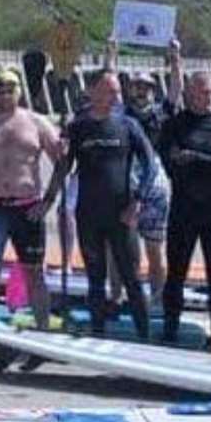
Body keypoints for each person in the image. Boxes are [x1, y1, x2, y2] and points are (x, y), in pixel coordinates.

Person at [0, 66, 68, 335]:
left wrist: (49, 201)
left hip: (27, 208)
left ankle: (43, 330)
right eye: (0, 89)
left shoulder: (37, 122)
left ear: (19, 91)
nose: (5, 94)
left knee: (34, 273)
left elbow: (62, 162)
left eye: (10, 89)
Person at [63, 69, 159, 339]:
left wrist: (138, 201)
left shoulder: (128, 125)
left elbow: (150, 165)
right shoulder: (78, 127)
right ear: (92, 92)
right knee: (95, 279)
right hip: (89, 213)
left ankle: (145, 338)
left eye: (118, 91)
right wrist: (50, 200)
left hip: (122, 214)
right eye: (110, 91)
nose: (117, 96)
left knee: (132, 279)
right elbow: (63, 167)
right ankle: (97, 333)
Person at [156, 46, 211, 347]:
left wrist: (196, 159)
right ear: (191, 93)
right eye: (205, 93)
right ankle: (170, 330)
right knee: (176, 273)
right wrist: (191, 162)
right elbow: (169, 163)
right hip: (183, 208)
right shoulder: (175, 125)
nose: (210, 99)